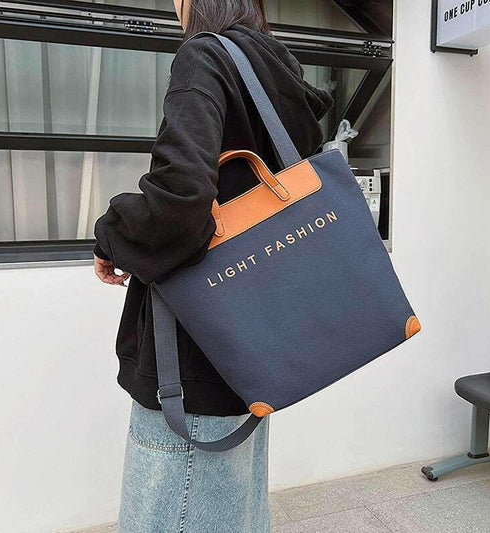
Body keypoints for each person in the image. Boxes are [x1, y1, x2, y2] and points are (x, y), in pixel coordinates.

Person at [93, 0, 333, 531]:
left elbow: (180, 202)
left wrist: (111, 235)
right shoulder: (279, 72)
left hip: (194, 343)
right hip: (255, 336)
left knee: (173, 499)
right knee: (231, 505)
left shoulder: (203, 57)